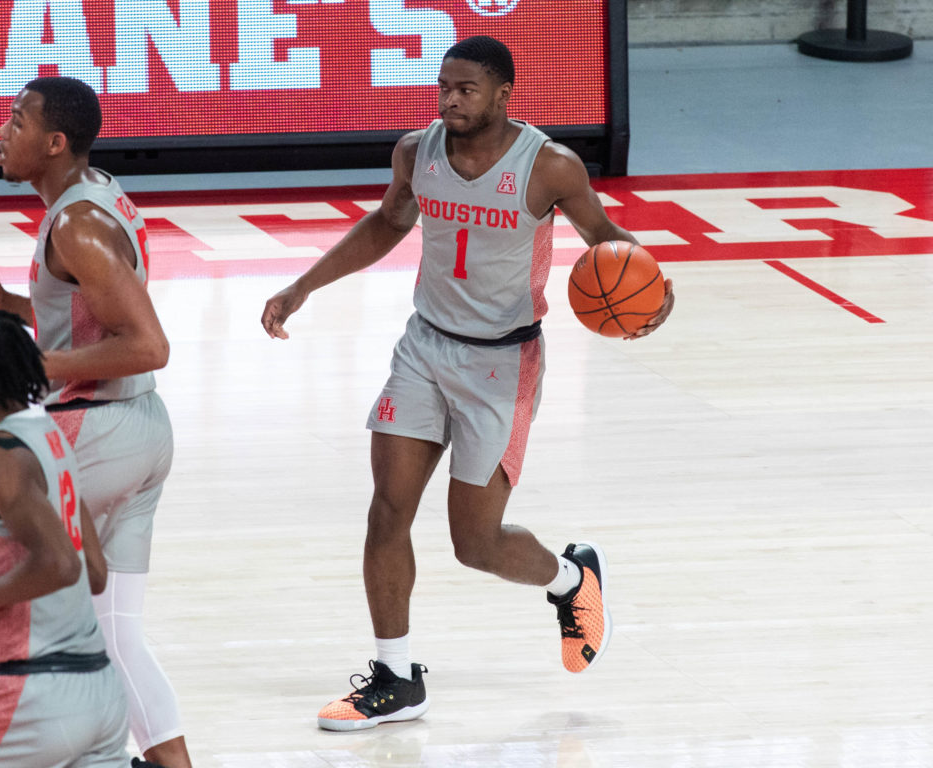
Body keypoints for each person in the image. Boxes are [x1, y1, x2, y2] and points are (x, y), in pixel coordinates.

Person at [261, 36, 674, 731]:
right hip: (424, 349)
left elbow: (607, 239)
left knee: (474, 545)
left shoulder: (550, 167)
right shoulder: (414, 152)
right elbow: (388, 223)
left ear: (505, 94)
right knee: (387, 510)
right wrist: (302, 287)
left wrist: (654, 297)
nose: (450, 100)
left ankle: (573, 580)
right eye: (444, 87)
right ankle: (395, 678)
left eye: (467, 89)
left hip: (503, 364)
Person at [0, 77, 191, 768]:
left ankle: (57, 741)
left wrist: (21, 363)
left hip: (96, 431)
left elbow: (149, 345)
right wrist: (13, 307)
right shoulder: (90, 198)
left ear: (54, 143)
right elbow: (91, 317)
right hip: (138, 429)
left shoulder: (77, 224)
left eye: (16, 121)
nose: (2, 129)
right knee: (117, 634)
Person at [0, 310, 132, 767]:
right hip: (101, 691)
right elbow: (92, 572)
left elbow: (62, 566)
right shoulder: (52, 439)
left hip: (40, 693)